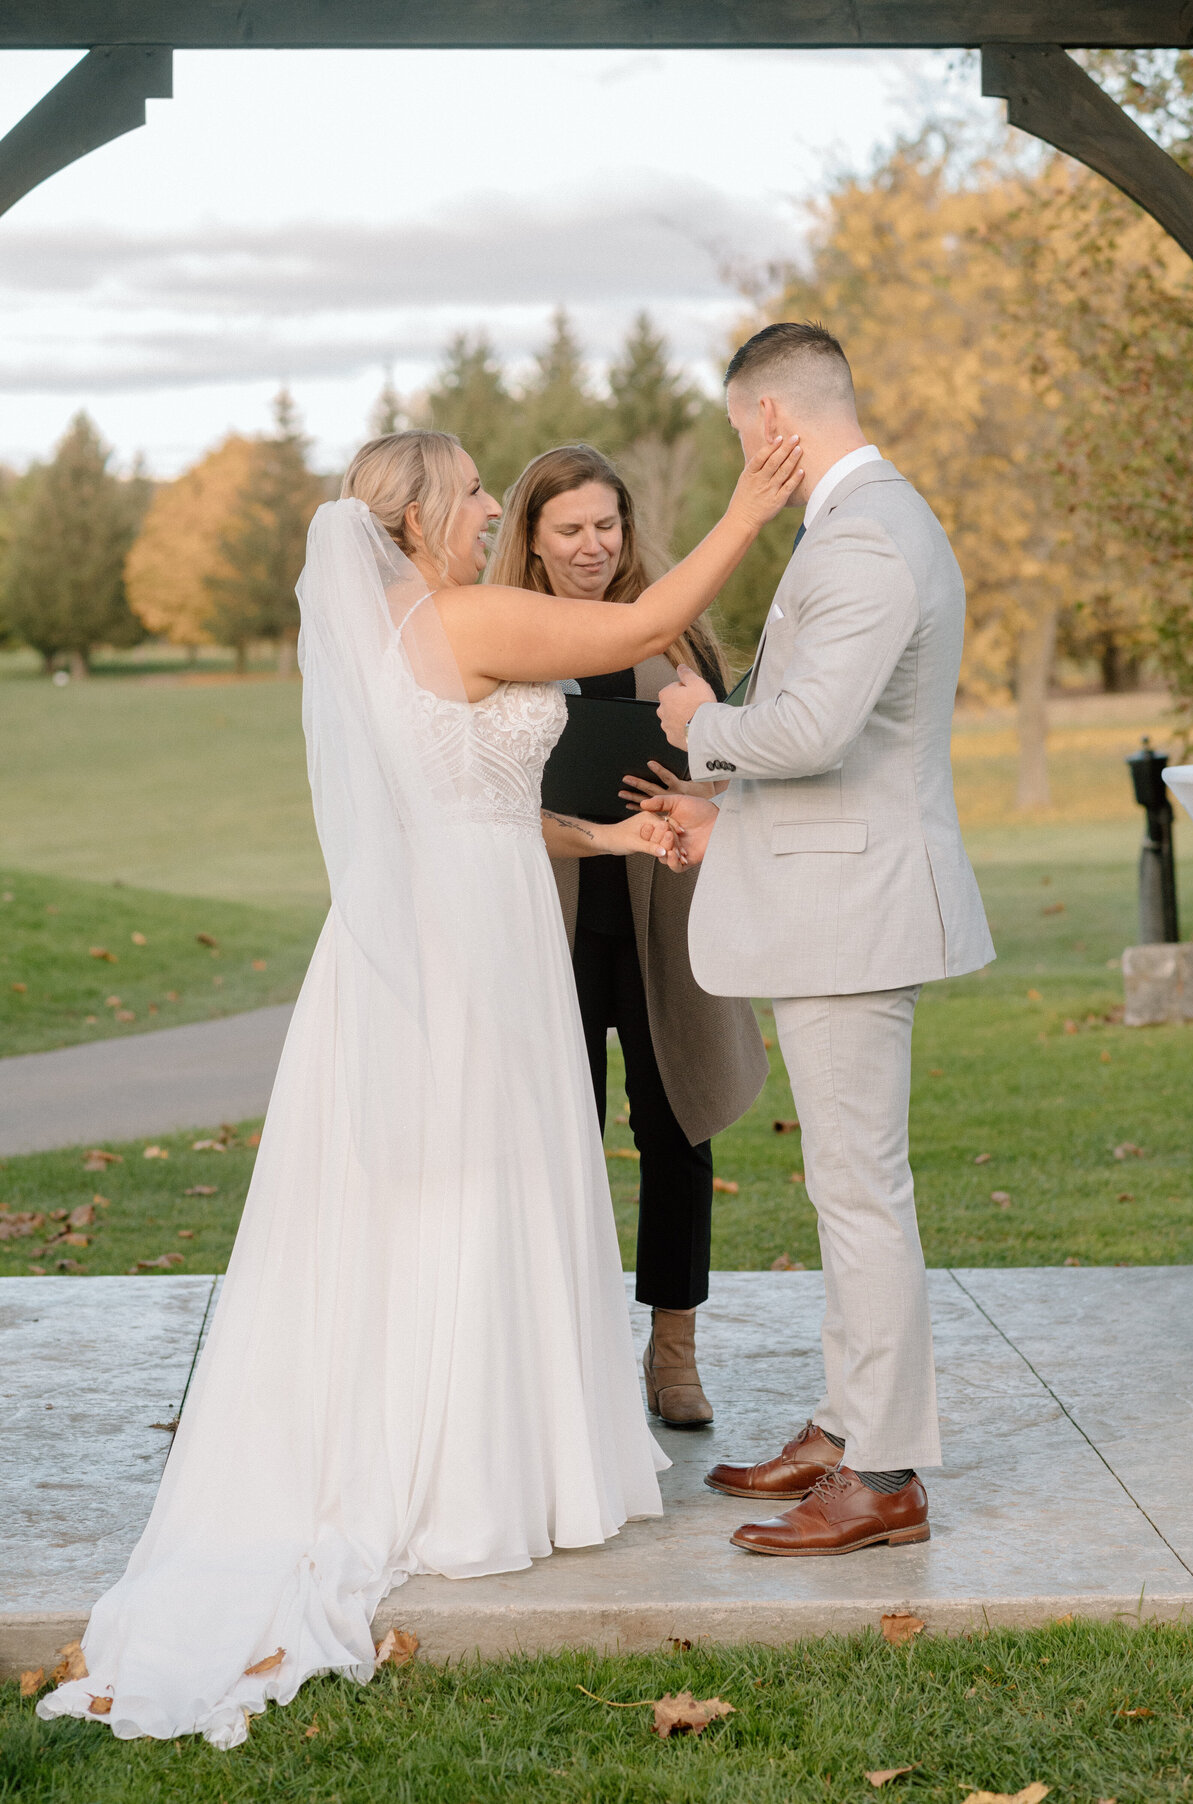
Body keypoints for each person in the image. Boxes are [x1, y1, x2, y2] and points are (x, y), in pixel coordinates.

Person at [38, 425, 803, 1746]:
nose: (490, 506)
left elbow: (478, 798)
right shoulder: (464, 616)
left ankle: (472, 1445)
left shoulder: (394, 636)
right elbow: (663, 612)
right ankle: (477, 1481)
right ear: (416, 518)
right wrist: (750, 505)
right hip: (473, 948)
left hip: (449, 918)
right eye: (471, 493)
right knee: (481, 1186)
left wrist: (608, 829)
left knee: (441, 1193)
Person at [643, 322, 995, 1556]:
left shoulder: (867, 539)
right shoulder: (865, 526)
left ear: (773, 422)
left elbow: (810, 734)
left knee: (859, 1192)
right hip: (835, 895)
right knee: (845, 1184)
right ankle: (848, 1429)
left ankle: (886, 1472)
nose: (747, 450)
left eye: (744, 431)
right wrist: (716, 808)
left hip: (853, 915)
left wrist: (695, 721)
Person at [489, 445, 768, 1428]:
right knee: (552, 1135)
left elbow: (739, 760)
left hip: (665, 917)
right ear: (531, 534)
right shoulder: (506, 636)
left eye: (606, 524)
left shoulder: (678, 634)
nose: (592, 545)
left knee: (675, 1127)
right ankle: (561, 1351)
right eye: (568, 528)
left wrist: (704, 791)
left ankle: (674, 1349)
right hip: (548, 917)